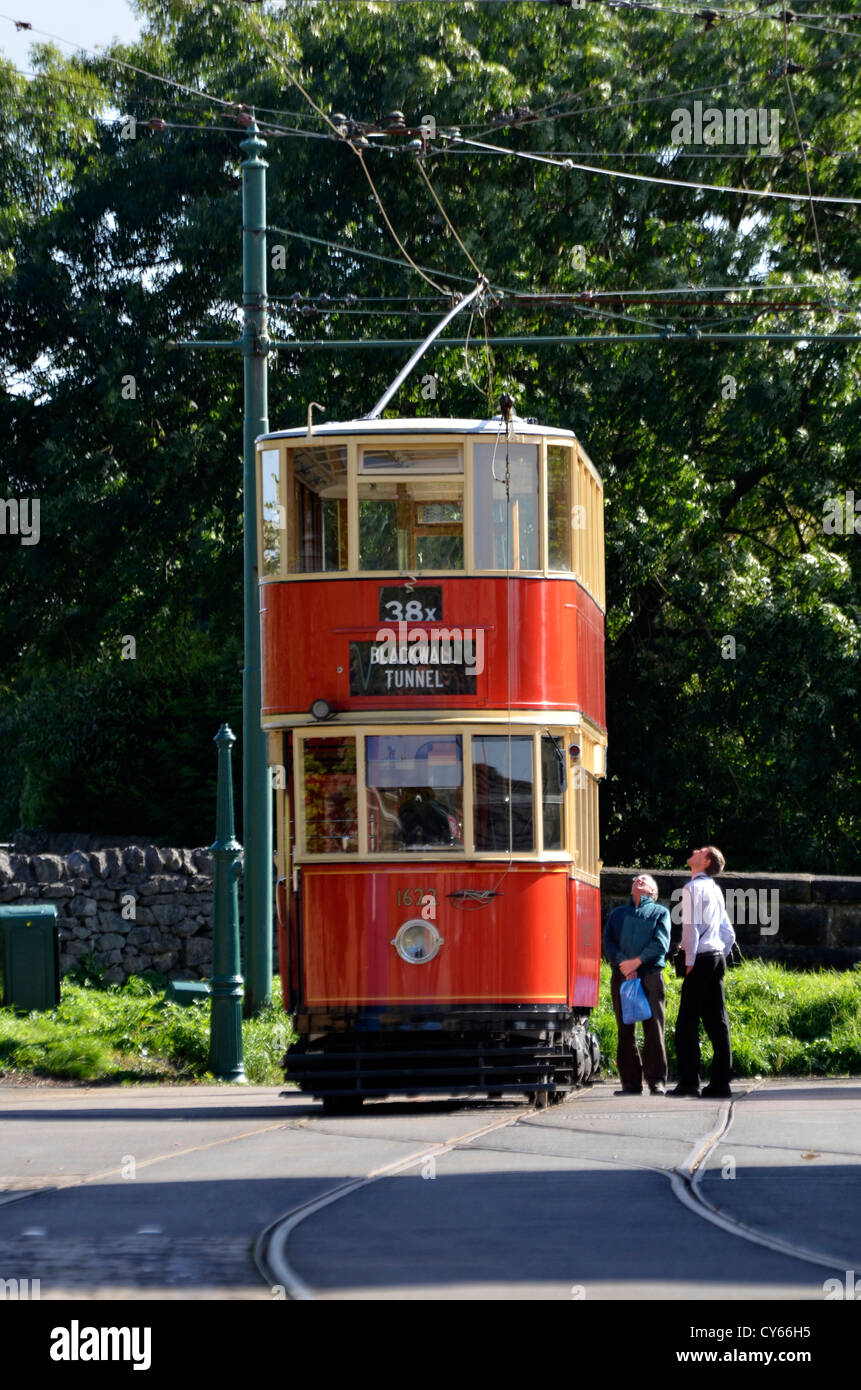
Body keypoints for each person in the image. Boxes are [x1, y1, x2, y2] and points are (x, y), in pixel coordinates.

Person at [671, 845, 736, 1098]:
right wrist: (719, 951)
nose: (695, 850)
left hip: (700, 959)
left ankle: (689, 1082)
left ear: (705, 861)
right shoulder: (715, 890)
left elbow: (691, 929)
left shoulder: (692, 888)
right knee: (717, 1022)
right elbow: (728, 932)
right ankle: (721, 1083)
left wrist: (689, 959)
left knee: (686, 1024)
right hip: (717, 957)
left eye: (701, 850)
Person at [603, 873, 671, 1096]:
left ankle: (656, 1081)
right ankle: (629, 1083)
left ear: (653, 891)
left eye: (645, 880)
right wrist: (624, 963)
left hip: (650, 974)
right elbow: (608, 942)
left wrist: (636, 962)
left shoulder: (660, 912)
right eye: (636, 879)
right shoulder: (617, 914)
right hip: (622, 975)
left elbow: (660, 944)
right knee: (625, 1029)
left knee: (654, 1028)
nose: (639, 880)